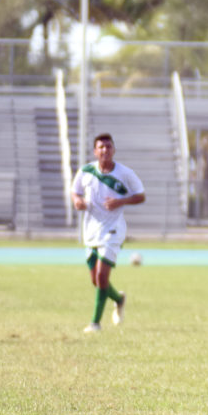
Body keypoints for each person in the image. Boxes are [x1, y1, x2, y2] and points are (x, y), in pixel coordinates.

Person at [71, 133, 145, 333]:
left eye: (108, 146)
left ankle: (95, 323)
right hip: (91, 231)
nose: (105, 150)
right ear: (95, 151)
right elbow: (75, 191)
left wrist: (121, 201)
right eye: (101, 147)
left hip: (113, 230)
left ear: (114, 150)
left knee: (102, 276)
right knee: (96, 280)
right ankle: (119, 299)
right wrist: (77, 201)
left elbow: (140, 195)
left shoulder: (125, 173)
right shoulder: (86, 171)